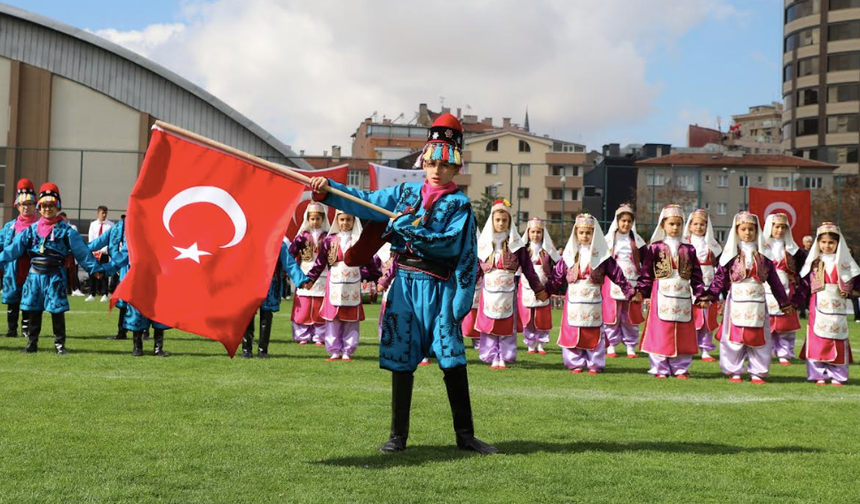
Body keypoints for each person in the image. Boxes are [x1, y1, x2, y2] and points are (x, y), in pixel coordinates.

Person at [309, 112, 497, 454]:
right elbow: (362, 201)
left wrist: (409, 228)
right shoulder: (405, 194)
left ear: (456, 169)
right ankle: (398, 436)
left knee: (452, 359)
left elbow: (451, 245)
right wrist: (329, 191)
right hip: (405, 287)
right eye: (431, 162)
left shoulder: (460, 205)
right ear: (423, 163)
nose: (437, 170)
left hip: (441, 289)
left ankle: (466, 436)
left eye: (445, 164)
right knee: (401, 358)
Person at [0, 183, 116, 354]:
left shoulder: (67, 231)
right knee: (33, 310)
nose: (48, 209)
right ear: (39, 208)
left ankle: (59, 345)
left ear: (58, 206)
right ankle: (32, 344)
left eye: (51, 205)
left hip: (54, 275)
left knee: (57, 311)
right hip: (34, 276)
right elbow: (13, 250)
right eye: (44, 206)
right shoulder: (31, 230)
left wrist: (95, 269)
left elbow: (82, 253)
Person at [546, 213, 638, 374]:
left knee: (593, 330)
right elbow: (557, 277)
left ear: (594, 234)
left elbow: (617, 275)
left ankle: (594, 363)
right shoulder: (569, 255)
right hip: (574, 299)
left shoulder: (602, 257)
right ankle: (575, 363)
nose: (585, 236)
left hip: (593, 298)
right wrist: (544, 292)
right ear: (576, 234)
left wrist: (629, 292)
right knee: (573, 330)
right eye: (581, 232)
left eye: (588, 232)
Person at [709, 212, 793, 384]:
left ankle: (758, 372)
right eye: (743, 229)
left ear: (757, 231)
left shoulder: (764, 256)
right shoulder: (730, 255)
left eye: (751, 229)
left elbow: (775, 281)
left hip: (758, 303)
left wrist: (784, 302)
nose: (747, 233)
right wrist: (709, 296)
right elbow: (719, 279)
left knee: (759, 338)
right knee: (734, 338)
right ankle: (735, 371)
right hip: (736, 301)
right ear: (736, 231)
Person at [637, 205, 709, 379]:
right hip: (661, 292)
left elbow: (696, 276)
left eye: (678, 224)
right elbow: (646, 273)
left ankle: (680, 368)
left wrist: (700, 294)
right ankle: (660, 368)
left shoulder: (689, 249)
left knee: (684, 331)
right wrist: (639, 291)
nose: (675, 228)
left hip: (683, 295)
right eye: (671, 224)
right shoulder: (655, 248)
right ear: (663, 225)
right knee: (660, 331)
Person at [475, 199, 548, 369]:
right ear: (492, 221)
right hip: (488, 292)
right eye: (497, 220)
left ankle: (504, 356)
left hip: (507, 292)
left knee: (505, 325)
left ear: (509, 222)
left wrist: (538, 289)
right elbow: (475, 270)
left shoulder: (517, 246)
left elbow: (528, 270)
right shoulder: (483, 245)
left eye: (504, 220)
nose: (501, 223)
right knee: (490, 324)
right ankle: (493, 355)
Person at [306, 210, 376, 361]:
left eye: (348, 220)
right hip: (334, 283)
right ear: (337, 221)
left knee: (351, 319)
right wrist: (310, 278)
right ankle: (334, 351)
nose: (345, 223)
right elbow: (320, 263)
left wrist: (372, 276)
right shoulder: (330, 240)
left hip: (353, 283)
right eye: (342, 220)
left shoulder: (358, 239)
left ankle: (347, 351)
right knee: (333, 319)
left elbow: (369, 262)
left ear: (353, 221)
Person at [794, 223, 859, 385]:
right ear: (818, 243)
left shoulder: (846, 263)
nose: (827, 246)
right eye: (823, 242)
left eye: (831, 242)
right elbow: (803, 287)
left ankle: (838, 375)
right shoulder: (813, 263)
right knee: (818, 339)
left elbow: (857, 283)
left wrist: (850, 289)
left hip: (838, 308)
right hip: (818, 306)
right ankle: (818, 375)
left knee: (838, 338)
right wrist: (793, 303)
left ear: (838, 243)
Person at [241, 237, 310, 358]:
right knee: (247, 315)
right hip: (249, 283)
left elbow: (289, 262)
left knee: (266, 315)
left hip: (270, 284)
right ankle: (246, 349)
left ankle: (263, 350)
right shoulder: (247, 240)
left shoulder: (277, 243)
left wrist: (302, 280)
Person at [602, 204, 647, 359]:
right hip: (612, 281)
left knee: (630, 316)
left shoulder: (638, 242)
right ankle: (611, 346)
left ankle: (630, 346)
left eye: (629, 221)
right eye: (623, 221)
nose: (626, 224)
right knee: (612, 315)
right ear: (617, 221)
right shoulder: (607, 240)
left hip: (632, 280)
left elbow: (646, 261)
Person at [761, 213, 805, 366]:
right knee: (766, 323)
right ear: (770, 227)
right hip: (765, 290)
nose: (779, 230)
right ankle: (765, 351)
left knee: (785, 325)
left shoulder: (793, 249)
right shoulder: (761, 247)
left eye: (783, 227)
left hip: (787, 290)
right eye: (776, 226)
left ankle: (784, 353)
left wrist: (796, 279)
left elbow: (805, 269)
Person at [683, 209, 722, 362]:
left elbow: (721, 265)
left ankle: (706, 349)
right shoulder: (684, 243)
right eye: (696, 224)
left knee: (707, 318)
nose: (699, 227)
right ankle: (689, 347)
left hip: (708, 283)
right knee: (690, 317)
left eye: (702, 224)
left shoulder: (713, 245)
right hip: (689, 284)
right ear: (690, 226)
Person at [1, 179, 39, 338]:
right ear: (17, 206)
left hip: (31, 268)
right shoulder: (10, 226)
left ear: (35, 206)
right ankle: (11, 329)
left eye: (29, 204)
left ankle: (26, 329)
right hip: (12, 268)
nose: (26, 207)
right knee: (12, 299)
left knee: (29, 298)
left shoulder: (39, 225)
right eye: (23, 204)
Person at [288, 202, 329, 346]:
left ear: (323, 219)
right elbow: (290, 254)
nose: (315, 222)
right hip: (304, 273)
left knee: (319, 306)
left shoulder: (327, 237)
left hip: (323, 275)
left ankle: (319, 336)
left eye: (318, 218)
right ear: (307, 219)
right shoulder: (301, 237)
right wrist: (290, 272)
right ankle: (302, 335)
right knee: (304, 306)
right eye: (312, 219)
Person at [518, 217, 559, 355]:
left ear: (543, 234)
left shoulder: (548, 250)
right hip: (527, 284)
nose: (536, 235)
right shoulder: (524, 250)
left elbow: (559, 263)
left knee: (542, 316)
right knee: (528, 316)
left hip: (543, 283)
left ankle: (541, 343)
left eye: (539, 232)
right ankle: (530, 343)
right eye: (533, 232)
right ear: (528, 233)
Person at [87, 214, 128, 340]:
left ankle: (144, 334)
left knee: (141, 302)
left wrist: (107, 268)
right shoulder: (122, 225)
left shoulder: (143, 225)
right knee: (124, 301)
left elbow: (126, 253)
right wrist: (79, 250)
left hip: (138, 269)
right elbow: (100, 241)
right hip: (125, 268)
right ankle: (123, 332)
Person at [86, 205, 113, 302]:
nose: (104, 215)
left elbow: (111, 240)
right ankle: (92, 293)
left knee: (104, 273)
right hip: (94, 253)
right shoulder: (93, 224)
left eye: (106, 213)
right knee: (92, 272)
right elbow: (91, 238)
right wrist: (93, 250)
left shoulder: (110, 225)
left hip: (104, 253)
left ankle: (104, 293)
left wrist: (104, 250)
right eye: (102, 213)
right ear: (98, 213)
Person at [799, 235, 813, 319]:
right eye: (807, 242)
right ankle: (802, 312)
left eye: (810, 242)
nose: (809, 244)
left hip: (812, 276)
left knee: (810, 295)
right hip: (803, 275)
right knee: (802, 294)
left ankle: (810, 310)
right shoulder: (800, 252)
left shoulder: (814, 253)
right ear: (803, 243)